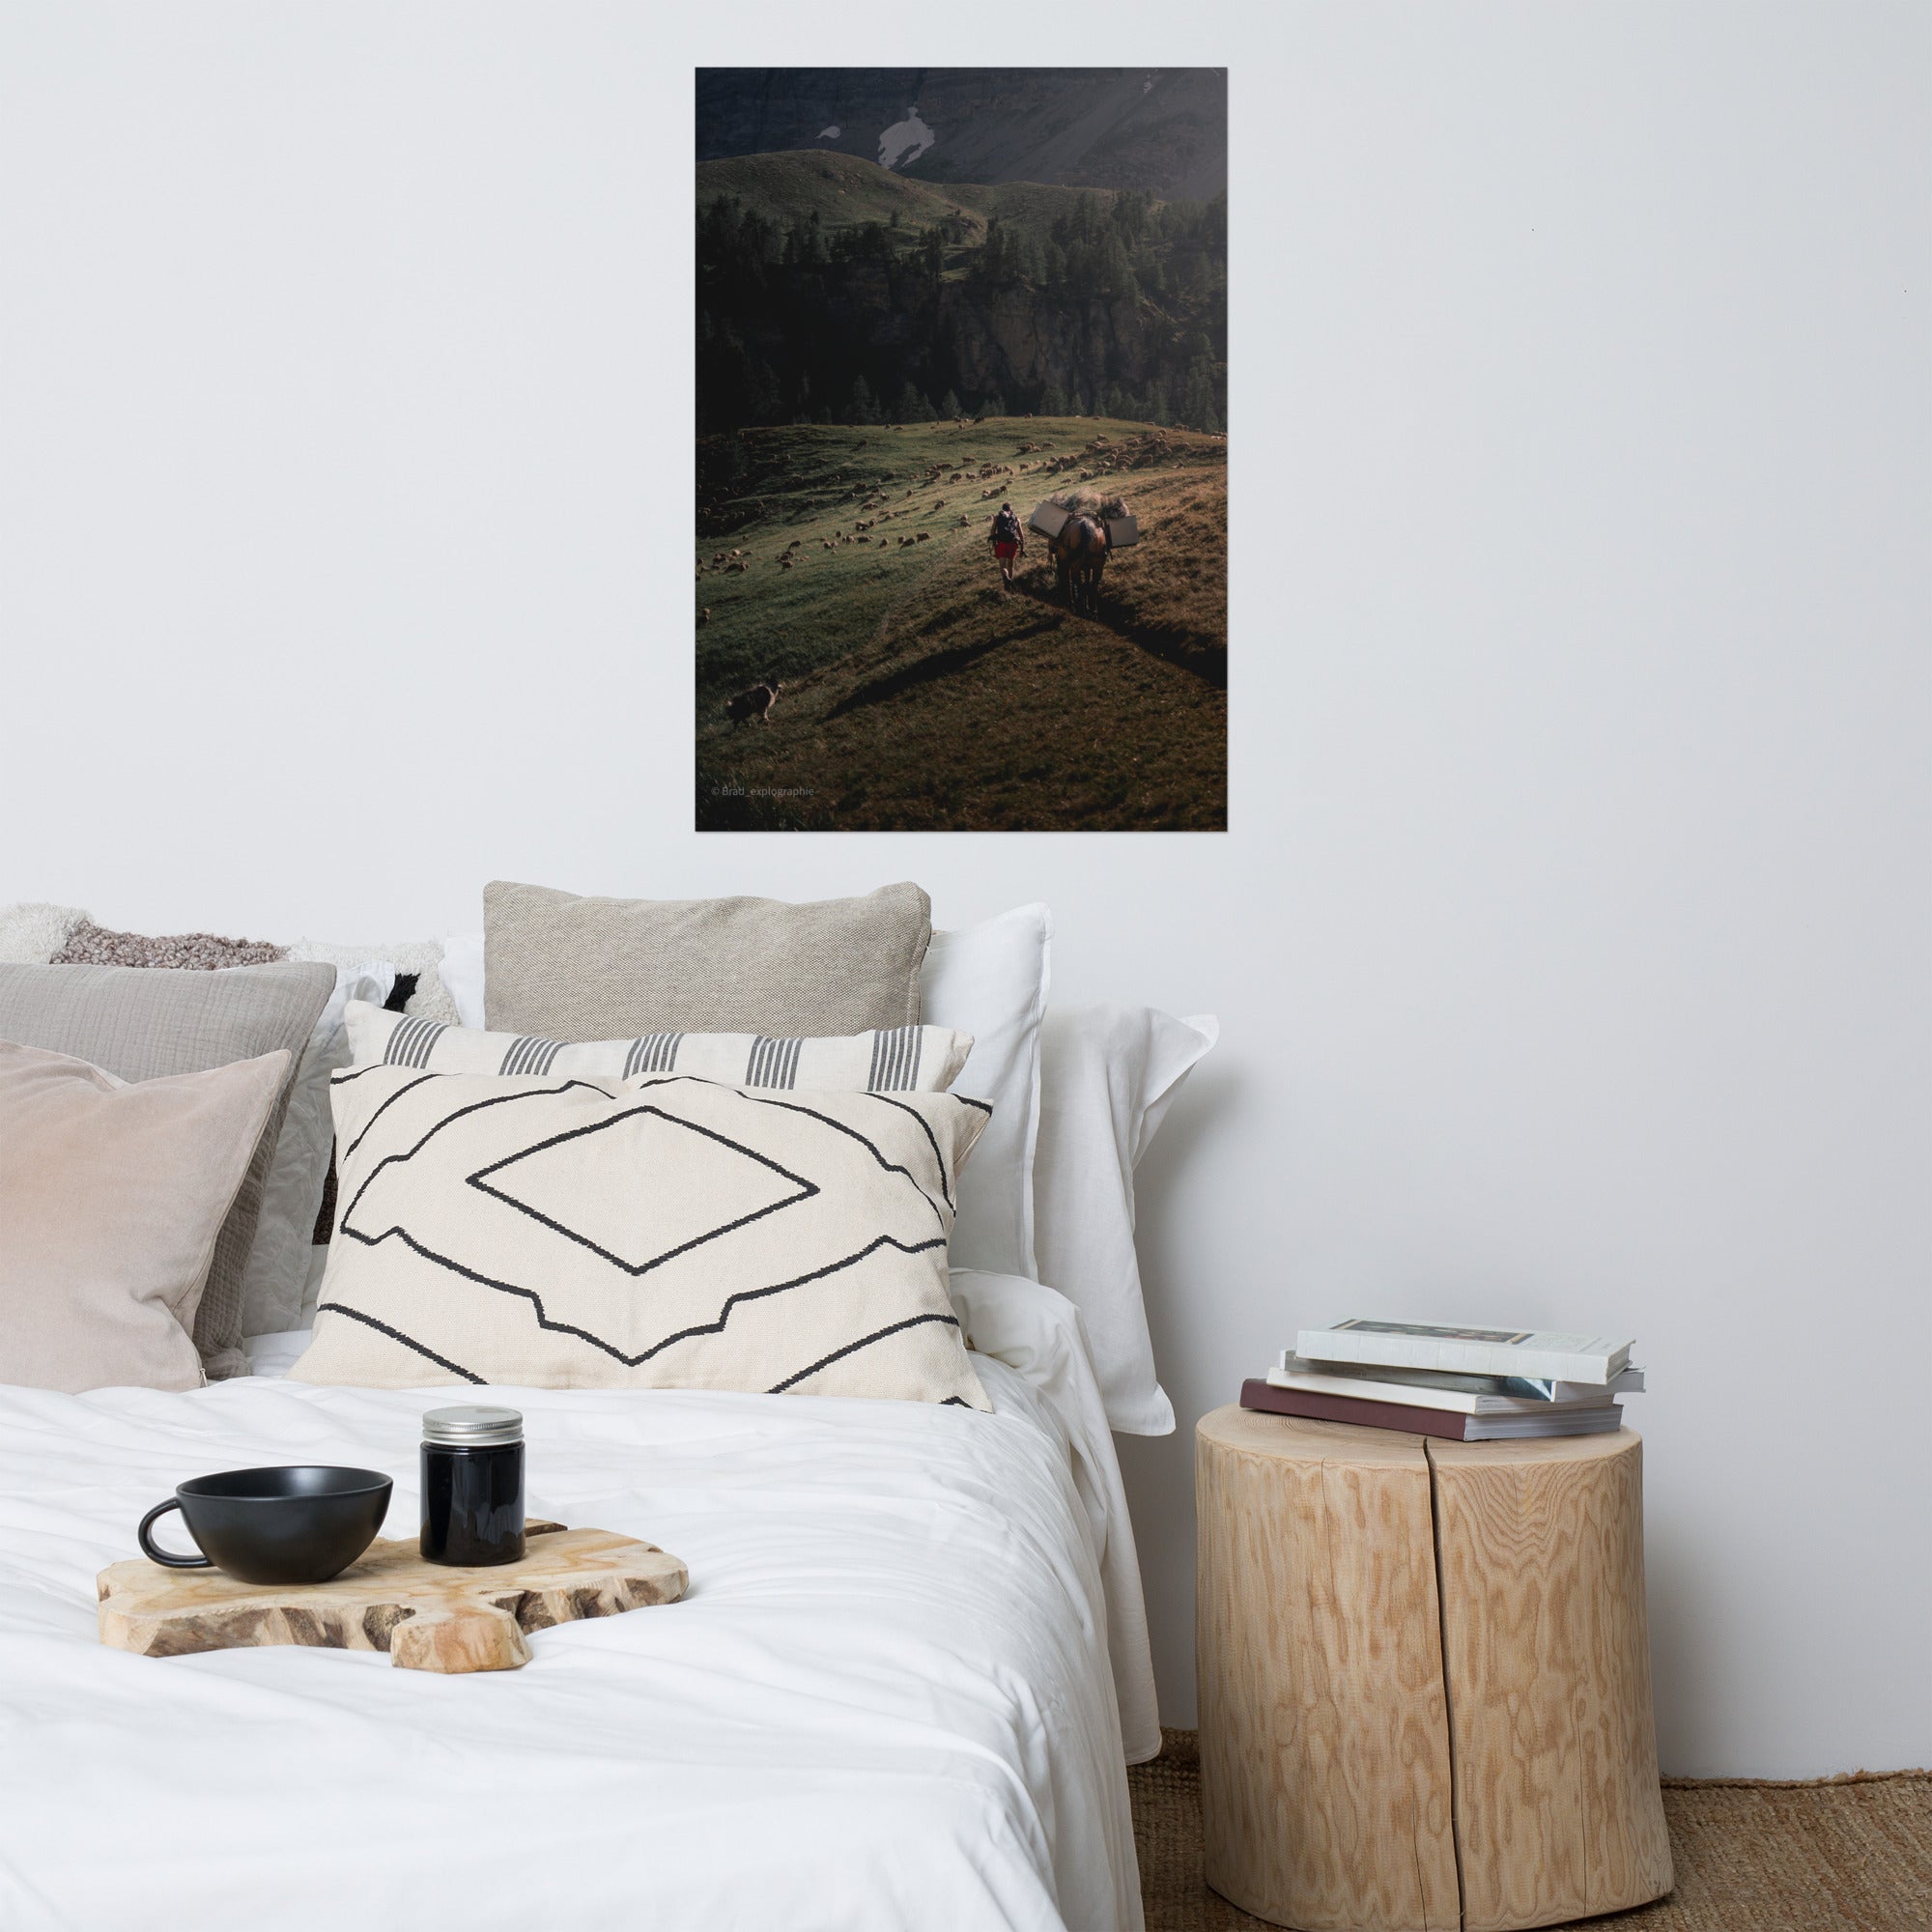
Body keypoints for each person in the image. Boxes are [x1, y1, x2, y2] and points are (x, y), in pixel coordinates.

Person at [988, 501, 1025, 587]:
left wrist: (994, 543)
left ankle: (1005, 578)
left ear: (1002, 509)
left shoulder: (998, 518)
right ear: (1010, 509)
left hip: (1001, 543)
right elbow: (1021, 536)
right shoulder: (1016, 519)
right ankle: (1010, 583)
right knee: (1010, 566)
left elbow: (993, 531)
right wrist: (1022, 549)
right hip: (1012, 544)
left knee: (1003, 566)